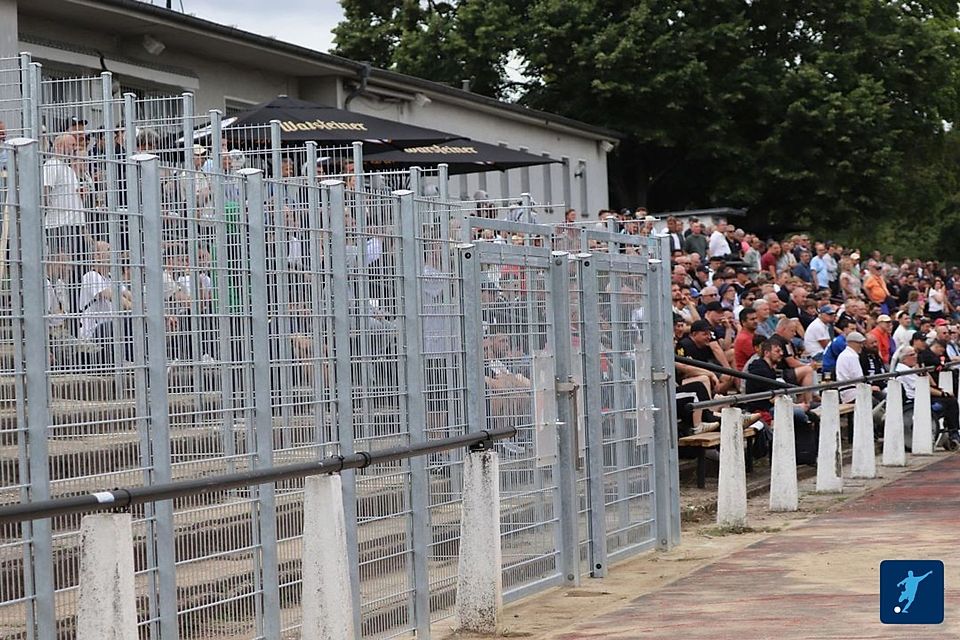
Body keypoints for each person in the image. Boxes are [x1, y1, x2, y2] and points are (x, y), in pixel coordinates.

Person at [835, 331, 866, 403]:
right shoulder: (851, 356)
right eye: (859, 343)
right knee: (878, 400)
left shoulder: (845, 354)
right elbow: (858, 378)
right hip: (852, 393)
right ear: (852, 343)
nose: (861, 346)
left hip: (845, 392)